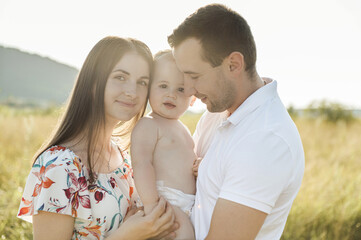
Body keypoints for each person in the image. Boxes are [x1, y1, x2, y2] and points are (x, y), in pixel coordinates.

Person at [17, 36, 178, 240]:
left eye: (142, 82)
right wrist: (127, 236)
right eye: (120, 77)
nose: (132, 92)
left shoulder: (123, 156)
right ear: (93, 82)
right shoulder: (60, 167)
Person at [168, 4, 305, 240]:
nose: (188, 89)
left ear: (233, 64)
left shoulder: (266, 140)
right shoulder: (216, 113)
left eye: (195, 76)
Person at [131, 50, 197, 240]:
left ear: (192, 98)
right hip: (163, 200)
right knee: (184, 234)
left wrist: (199, 166)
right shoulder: (149, 124)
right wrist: (152, 206)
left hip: (185, 204)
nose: (171, 94)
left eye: (181, 89)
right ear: (149, 88)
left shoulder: (182, 127)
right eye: (163, 86)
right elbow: (141, 164)